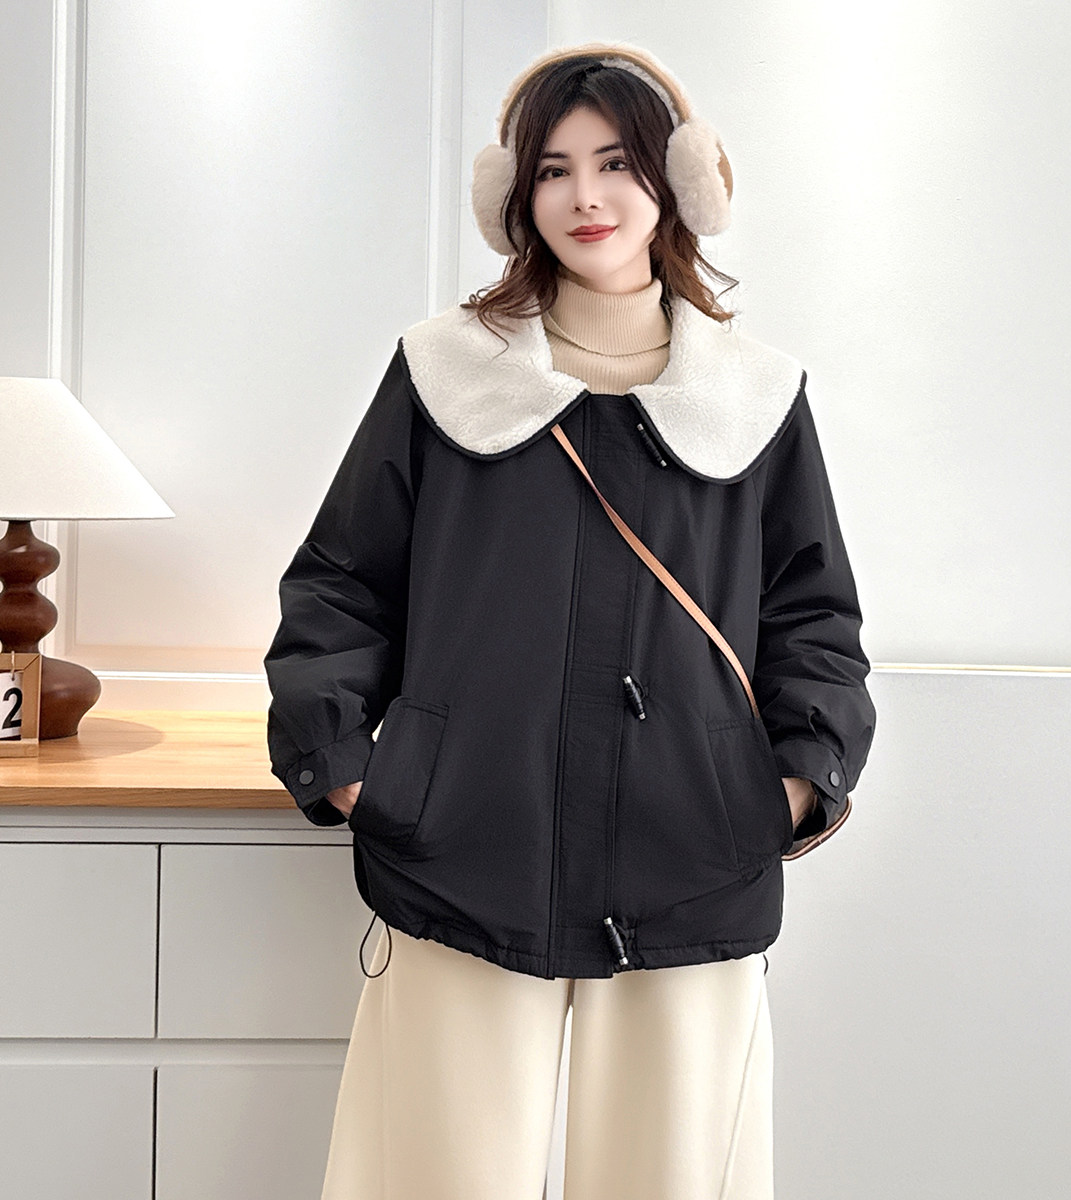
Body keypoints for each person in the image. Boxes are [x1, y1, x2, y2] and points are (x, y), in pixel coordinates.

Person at [264, 41, 875, 1200]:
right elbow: (340, 584)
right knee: (433, 1177)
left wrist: (793, 786)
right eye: (553, 169)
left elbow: (814, 618)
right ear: (515, 194)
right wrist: (355, 774)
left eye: (616, 164)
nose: (585, 197)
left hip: (695, 848)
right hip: (465, 844)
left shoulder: (756, 395)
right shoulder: (443, 372)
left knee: (676, 1178)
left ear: (677, 184)